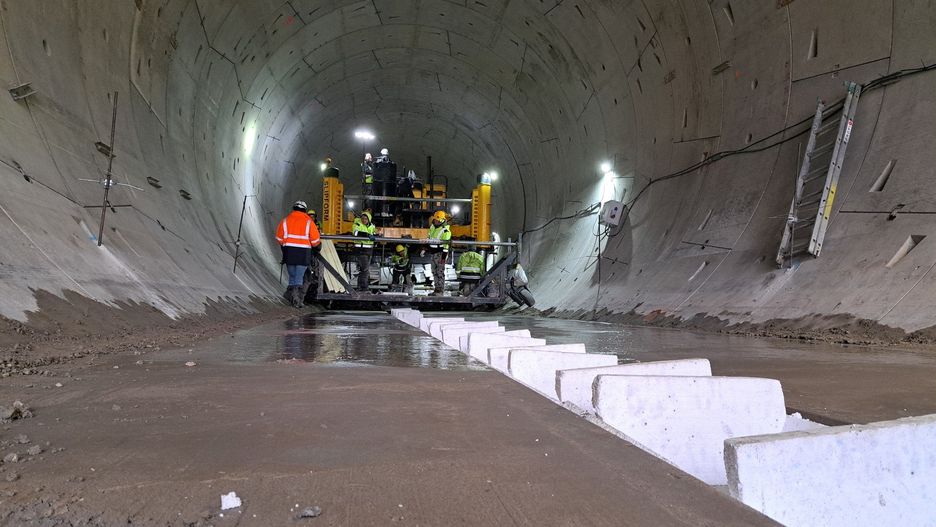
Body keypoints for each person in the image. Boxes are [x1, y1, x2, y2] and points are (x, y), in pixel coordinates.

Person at [275, 200, 321, 308]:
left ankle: (290, 297)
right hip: (303, 253)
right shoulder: (309, 222)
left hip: (289, 252)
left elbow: (279, 238)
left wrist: (288, 244)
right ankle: (297, 300)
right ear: (304, 210)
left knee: (292, 275)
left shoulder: (285, 221)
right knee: (299, 276)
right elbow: (315, 241)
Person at [424, 210, 451, 295]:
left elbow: (446, 246)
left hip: (440, 254)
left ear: (442, 220)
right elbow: (429, 238)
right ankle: (436, 290)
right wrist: (425, 249)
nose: (436, 221)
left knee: (440, 273)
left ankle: (440, 291)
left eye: (438, 220)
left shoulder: (445, 231)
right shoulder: (432, 227)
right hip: (433, 253)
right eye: (435, 219)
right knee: (434, 272)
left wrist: (443, 258)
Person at [352, 211, 376, 291]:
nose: (364, 220)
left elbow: (374, 234)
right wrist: (367, 235)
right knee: (365, 269)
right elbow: (356, 233)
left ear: (369, 219)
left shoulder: (372, 226)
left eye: (366, 219)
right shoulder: (357, 224)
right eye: (362, 218)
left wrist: (377, 235)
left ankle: (361, 287)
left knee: (365, 269)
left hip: (369, 250)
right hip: (360, 249)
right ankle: (363, 287)